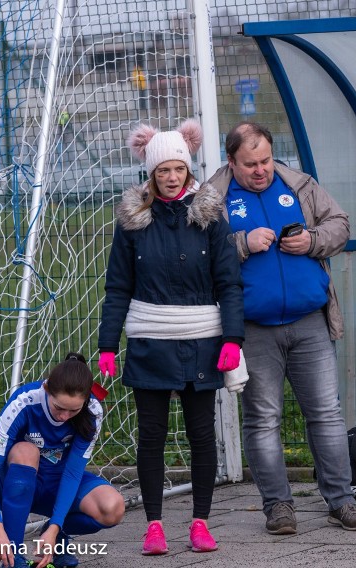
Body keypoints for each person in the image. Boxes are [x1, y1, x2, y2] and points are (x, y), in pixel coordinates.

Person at [206, 121, 356, 534]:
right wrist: (242, 244)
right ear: (231, 161)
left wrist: (312, 240)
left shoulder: (298, 184)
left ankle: (341, 501)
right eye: (250, 164)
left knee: (328, 415)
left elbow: (341, 224)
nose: (260, 170)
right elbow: (197, 252)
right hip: (253, 328)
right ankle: (278, 507)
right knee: (263, 419)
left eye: (265, 161)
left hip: (309, 321)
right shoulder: (212, 198)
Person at [97, 119, 244, 554]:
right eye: (163, 170)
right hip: (150, 342)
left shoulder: (210, 217)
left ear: (188, 167)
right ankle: (155, 525)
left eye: (178, 168)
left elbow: (229, 284)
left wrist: (232, 338)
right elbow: (118, 286)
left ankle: (200, 522)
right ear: (151, 172)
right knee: (152, 435)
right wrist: (108, 344)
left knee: (202, 434)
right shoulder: (132, 222)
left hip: (202, 339)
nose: (172, 176)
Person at [0, 353, 124, 568]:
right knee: (27, 451)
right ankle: (14, 555)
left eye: (73, 410)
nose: (65, 416)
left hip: (58, 483)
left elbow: (73, 473)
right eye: (59, 407)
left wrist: (55, 527)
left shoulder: (93, 411)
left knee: (113, 508)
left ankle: (59, 539)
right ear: (47, 390)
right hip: (18, 482)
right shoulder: (24, 402)